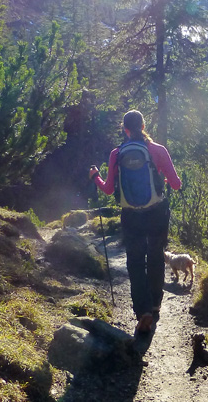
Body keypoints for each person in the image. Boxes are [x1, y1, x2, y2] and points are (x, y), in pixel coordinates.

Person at [89, 110, 182, 334]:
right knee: (156, 255)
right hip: (157, 212)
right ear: (143, 126)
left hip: (131, 215)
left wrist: (95, 177)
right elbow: (177, 184)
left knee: (136, 261)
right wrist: (164, 178)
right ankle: (156, 304)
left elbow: (109, 188)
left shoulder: (116, 154)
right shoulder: (158, 150)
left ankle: (143, 311)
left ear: (125, 129)